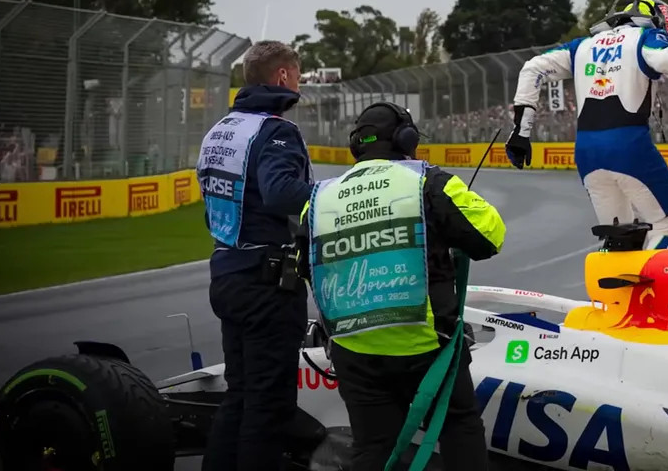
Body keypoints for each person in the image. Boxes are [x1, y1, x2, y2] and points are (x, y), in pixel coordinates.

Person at [300, 101, 506, 471]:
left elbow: (305, 267)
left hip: (352, 347)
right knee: (458, 425)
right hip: (426, 344)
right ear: (406, 139)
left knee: (374, 446)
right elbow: (490, 235)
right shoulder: (427, 180)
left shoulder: (318, 199)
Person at [504, 0, 668, 251]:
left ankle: (608, 291)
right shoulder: (646, 38)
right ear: (659, 22)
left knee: (618, 234)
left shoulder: (582, 46)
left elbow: (532, 68)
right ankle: (655, 291)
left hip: (586, 153)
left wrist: (521, 132)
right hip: (629, 145)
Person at [197, 40, 315, 471]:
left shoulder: (221, 130)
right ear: (283, 76)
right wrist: (330, 197)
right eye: (297, 75)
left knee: (241, 393)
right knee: (269, 405)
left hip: (226, 270)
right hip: (267, 281)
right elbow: (283, 192)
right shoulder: (275, 130)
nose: (298, 84)